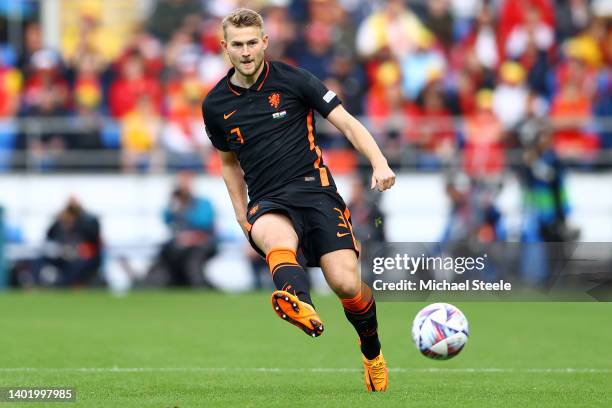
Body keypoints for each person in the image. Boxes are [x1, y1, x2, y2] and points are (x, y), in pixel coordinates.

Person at [202, 9, 395, 392]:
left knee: (345, 283)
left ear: (264, 42)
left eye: (252, 42)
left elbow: (348, 123)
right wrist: (242, 217)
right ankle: (298, 303)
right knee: (277, 239)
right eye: (237, 45)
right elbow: (228, 164)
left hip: (316, 191)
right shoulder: (215, 104)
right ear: (224, 48)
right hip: (268, 199)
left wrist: (379, 161)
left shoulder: (294, 80)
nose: (245, 52)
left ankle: (371, 351)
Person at [156, 172, 217, 287]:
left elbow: (204, 222)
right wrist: (173, 204)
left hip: (203, 242)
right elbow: (167, 221)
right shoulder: (176, 204)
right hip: (181, 243)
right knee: (166, 251)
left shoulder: (203, 203)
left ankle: (200, 286)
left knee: (193, 261)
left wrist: (185, 211)